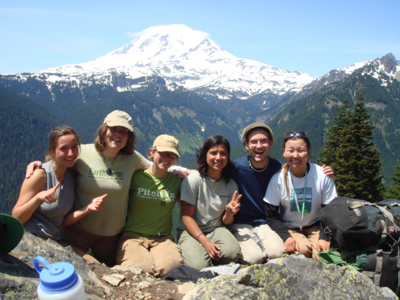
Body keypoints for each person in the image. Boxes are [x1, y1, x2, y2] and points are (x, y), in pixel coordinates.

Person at [228, 123, 334, 265]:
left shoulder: (279, 168)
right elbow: (212, 170)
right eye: (254, 142)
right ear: (246, 145)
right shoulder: (236, 167)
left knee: (283, 253)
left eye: (264, 141)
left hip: (269, 223)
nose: (259, 146)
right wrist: (188, 171)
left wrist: (326, 172)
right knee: (258, 257)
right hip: (247, 224)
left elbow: (331, 209)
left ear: (271, 143)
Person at [12, 126, 105, 241]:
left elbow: (62, 221)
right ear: (52, 150)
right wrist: (37, 198)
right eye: (63, 148)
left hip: (52, 238)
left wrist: (88, 208)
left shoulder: (70, 178)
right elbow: (16, 218)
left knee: (92, 260)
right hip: (30, 237)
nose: (70, 153)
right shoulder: (40, 175)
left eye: (74, 147)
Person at [116, 134, 183, 276]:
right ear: (152, 153)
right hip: (133, 237)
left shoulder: (176, 181)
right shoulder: (136, 176)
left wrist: (188, 172)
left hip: (162, 238)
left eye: (172, 156)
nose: (167, 159)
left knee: (171, 268)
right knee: (140, 271)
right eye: (163, 153)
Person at [264, 131, 337, 258]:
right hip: (290, 227)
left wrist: (325, 237)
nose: (295, 155)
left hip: (316, 225)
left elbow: (331, 210)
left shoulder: (322, 175)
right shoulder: (278, 179)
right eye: (290, 150)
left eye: (300, 150)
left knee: (324, 255)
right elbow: (271, 216)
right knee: (301, 252)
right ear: (284, 152)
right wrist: (286, 237)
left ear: (308, 152)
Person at [177, 134, 242, 269]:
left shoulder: (230, 185)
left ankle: (211, 256)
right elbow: (187, 217)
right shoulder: (194, 179)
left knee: (232, 254)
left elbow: (226, 222)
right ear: (205, 155)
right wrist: (205, 242)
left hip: (216, 229)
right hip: (190, 230)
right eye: (213, 153)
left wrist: (229, 213)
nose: (218, 158)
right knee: (198, 265)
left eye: (223, 153)